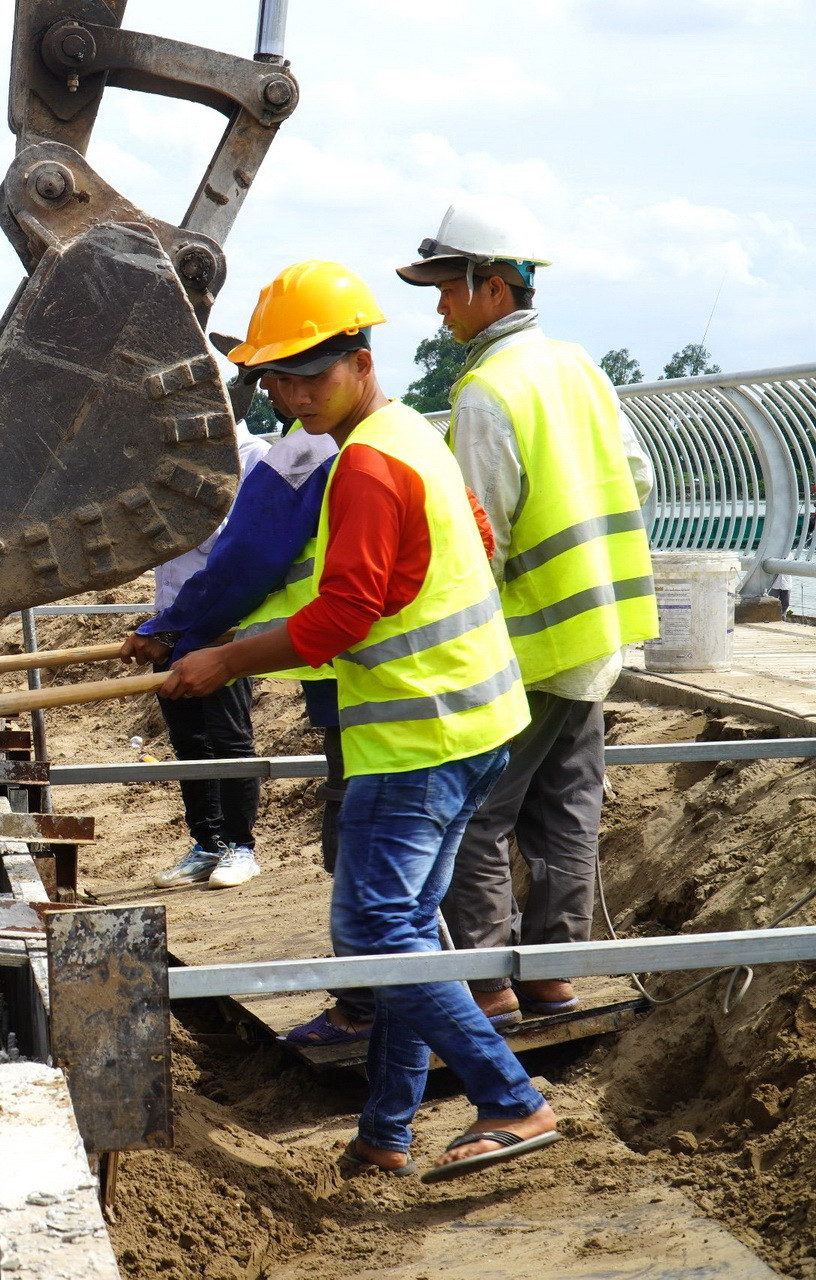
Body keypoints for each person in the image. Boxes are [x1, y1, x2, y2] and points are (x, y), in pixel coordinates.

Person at [159, 260, 559, 1180]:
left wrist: (221, 657)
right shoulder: (412, 433)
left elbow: (342, 617)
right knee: (405, 932)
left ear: (361, 357)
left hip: (419, 738)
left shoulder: (370, 465)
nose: (292, 397)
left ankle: (512, 1101)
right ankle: (385, 1132)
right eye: (275, 381)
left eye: (308, 375)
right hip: (474, 723)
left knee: (379, 930)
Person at [398, 200, 656, 1022]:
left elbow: (476, 540)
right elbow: (637, 477)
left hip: (525, 644)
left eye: (446, 288)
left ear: (492, 286)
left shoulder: (485, 394)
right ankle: (552, 973)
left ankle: (488, 984)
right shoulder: (579, 366)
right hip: (597, 633)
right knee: (568, 809)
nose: (439, 307)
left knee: (478, 815)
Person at [125, 416, 275, 889]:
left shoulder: (253, 463)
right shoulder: (171, 467)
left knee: (227, 737)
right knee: (190, 741)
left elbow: (241, 562)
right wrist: (161, 627)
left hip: (220, 632)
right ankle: (207, 843)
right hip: (171, 625)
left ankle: (239, 846)